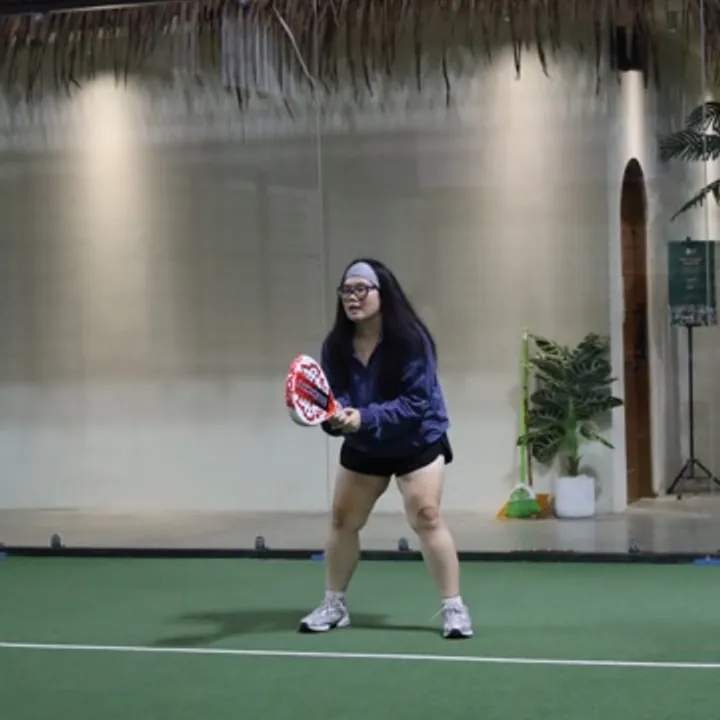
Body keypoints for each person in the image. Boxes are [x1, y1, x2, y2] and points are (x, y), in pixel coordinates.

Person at [298, 258, 473, 639]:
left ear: (384, 294)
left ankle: (454, 608)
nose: (352, 297)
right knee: (342, 520)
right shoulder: (336, 345)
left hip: (416, 437)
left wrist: (363, 417)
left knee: (427, 516)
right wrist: (337, 417)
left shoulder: (411, 340)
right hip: (365, 443)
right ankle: (334, 605)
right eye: (346, 290)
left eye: (362, 289)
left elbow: (415, 403)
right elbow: (332, 396)